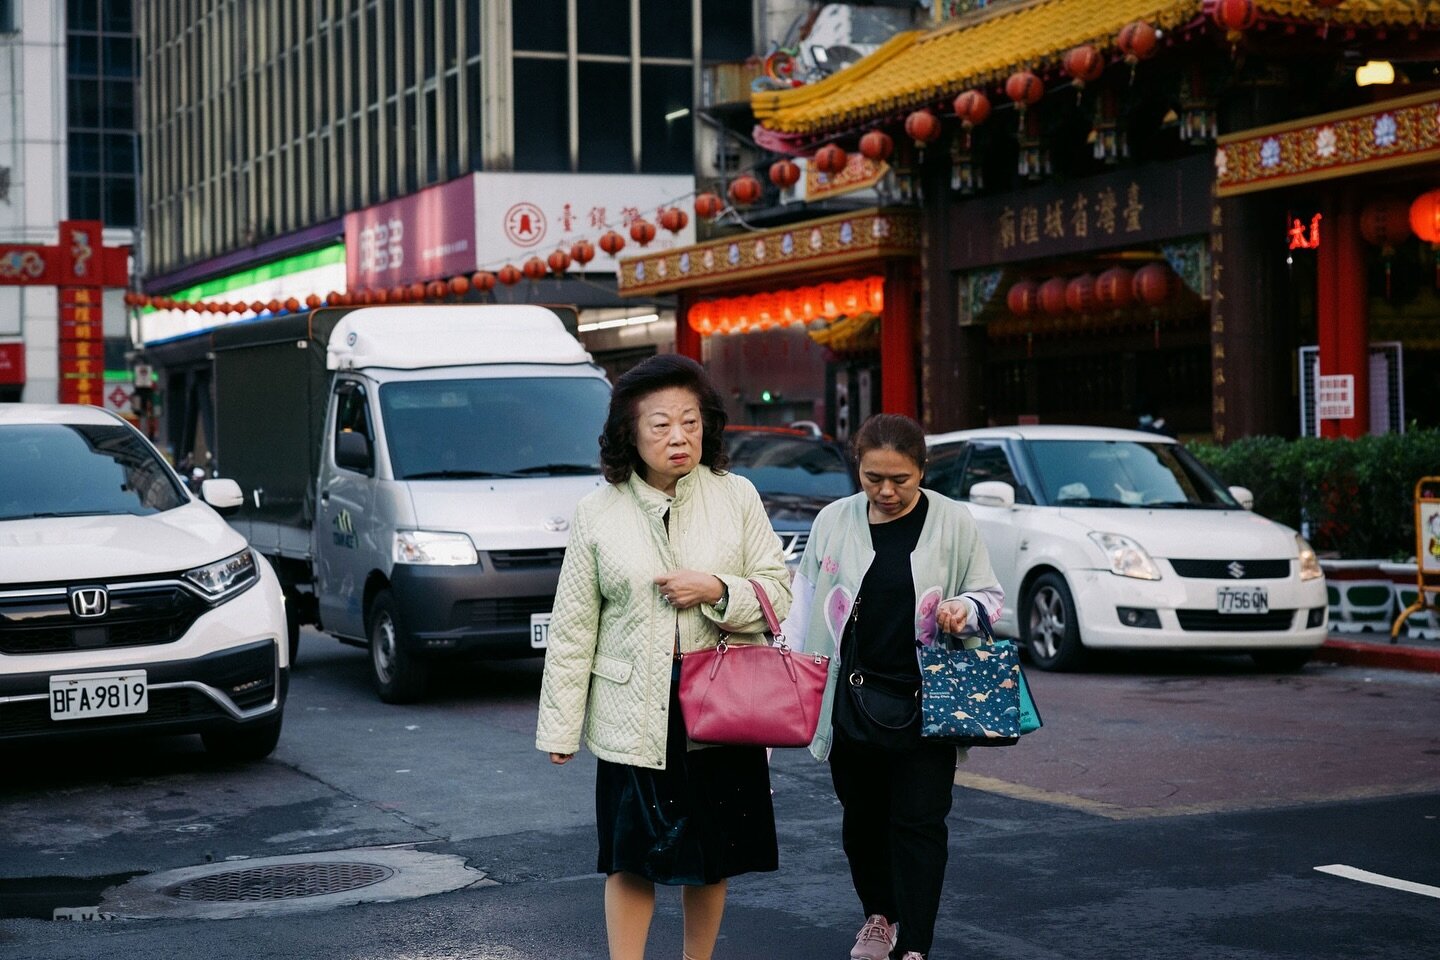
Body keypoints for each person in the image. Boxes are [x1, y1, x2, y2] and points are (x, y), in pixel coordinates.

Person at [535, 354, 792, 960]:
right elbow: (574, 626)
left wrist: (718, 590)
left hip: (719, 703)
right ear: (629, 433)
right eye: (660, 425)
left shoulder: (737, 496)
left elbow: (778, 592)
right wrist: (561, 725)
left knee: (711, 855)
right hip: (633, 707)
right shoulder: (598, 511)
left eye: (691, 422)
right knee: (630, 856)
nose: (679, 437)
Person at [780, 413, 1003, 960]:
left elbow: (990, 597)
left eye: (900, 480)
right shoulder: (833, 520)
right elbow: (803, 606)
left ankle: (916, 945)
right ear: (856, 469)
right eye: (872, 477)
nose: (885, 491)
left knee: (920, 823)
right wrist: (786, 679)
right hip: (849, 699)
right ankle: (879, 917)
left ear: (922, 470)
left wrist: (965, 609)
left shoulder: (953, 521)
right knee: (863, 821)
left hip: (929, 701)